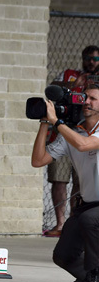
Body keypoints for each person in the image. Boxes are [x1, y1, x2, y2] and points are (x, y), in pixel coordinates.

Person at [31, 84, 99, 282]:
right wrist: (45, 123)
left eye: (93, 99)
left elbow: (84, 145)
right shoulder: (73, 132)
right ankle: (91, 275)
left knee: (90, 220)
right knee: (63, 256)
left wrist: (56, 122)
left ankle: (97, 273)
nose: (86, 101)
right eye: (84, 97)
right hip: (88, 204)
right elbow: (38, 160)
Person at [44, 45, 99, 236]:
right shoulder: (69, 74)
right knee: (59, 179)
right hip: (64, 132)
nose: (91, 62)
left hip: (88, 135)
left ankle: (76, 223)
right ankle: (60, 224)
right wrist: (75, 85)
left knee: (81, 182)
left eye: (95, 59)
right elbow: (51, 88)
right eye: (88, 58)